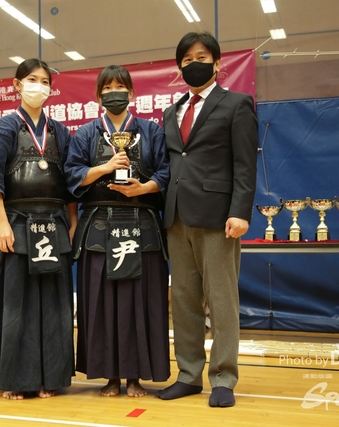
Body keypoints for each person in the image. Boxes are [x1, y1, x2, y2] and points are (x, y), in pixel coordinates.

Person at [156, 32, 258, 407]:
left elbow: (245, 163)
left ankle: (224, 378)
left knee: (221, 299)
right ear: (179, 67)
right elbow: (173, 162)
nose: (193, 64)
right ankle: (188, 374)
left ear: (217, 63)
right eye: (186, 59)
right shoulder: (171, 112)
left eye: (201, 57)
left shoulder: (237, 104)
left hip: (218, 217)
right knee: (183, 300)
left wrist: (240, 211)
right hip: (176, 216)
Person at [0, 58, 77, 400]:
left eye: (45, 81)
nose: (39, 86)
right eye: (32, 79)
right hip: (16, 223)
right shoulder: (2, 128)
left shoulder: (60, 132)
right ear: (17, 85)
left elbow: (70, 185)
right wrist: (2, 223)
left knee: (54, 305)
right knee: (16, 305)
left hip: (54, 225)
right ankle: (16, 379)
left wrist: (73, 223)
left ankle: (51, 377)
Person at [65, 65, 171, 397]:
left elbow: (166, 172)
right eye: (107, 88)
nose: (114, 93)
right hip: (99, 226)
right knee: (102, 302)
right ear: (98, 96)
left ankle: (136, 375)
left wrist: (145, 188)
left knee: (141, 301)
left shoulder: (151, 131)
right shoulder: (85, 133)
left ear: (132, 93)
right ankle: (109, 375)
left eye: (120, 87)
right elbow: (71, 176)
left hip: (143, 225)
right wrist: (105, 168)